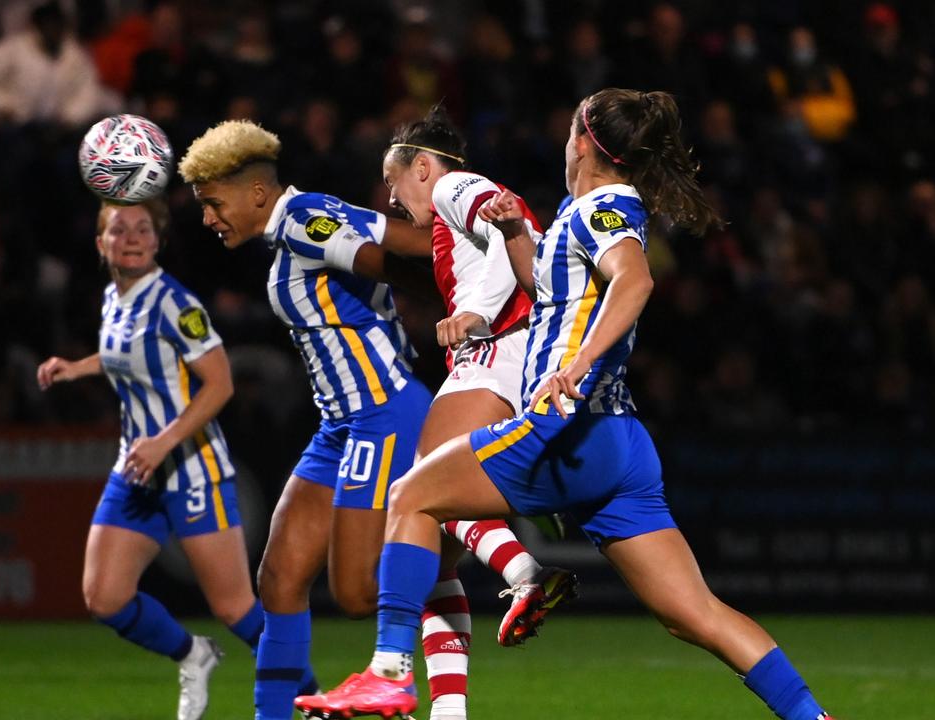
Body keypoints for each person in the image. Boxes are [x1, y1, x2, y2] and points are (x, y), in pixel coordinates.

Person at [298, 88, 838, 720]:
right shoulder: (583, 211)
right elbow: (549, 292)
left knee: (414, 495)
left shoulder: (600, 210)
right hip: (620, 443)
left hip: (566, 430)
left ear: (581, 140)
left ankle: (391, 673)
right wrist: (513, 237)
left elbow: (634, 280)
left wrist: (575, 366)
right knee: (694, 614)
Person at [179, 120, 437, 720]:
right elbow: (403, 242)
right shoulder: (309, 214)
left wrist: (454, 288)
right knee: (279, 580)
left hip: (383, 413)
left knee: (353, 592)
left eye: (214, 204)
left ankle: (458, 555)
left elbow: (382, 258)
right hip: (339, 427)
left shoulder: (299, 222)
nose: (209, 219)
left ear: (257, 195)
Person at [380, 108, 577, 719]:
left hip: (498, 349)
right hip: (521, 353)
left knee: (420, 494)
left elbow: (502, 221)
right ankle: (449, 712)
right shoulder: (451, 208)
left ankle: (525, 572)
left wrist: (480, 314)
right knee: (434, 550)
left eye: (394, 183)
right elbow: (523, 241)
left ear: (421, 166)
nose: (392, 198)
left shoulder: (451, 185)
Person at [37, 200, 262, 720]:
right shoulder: (113, 299)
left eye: (143, 229)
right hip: (135, 470)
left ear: (157, 243)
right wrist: (78, 368)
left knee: (234, 608)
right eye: (120, 230)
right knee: (104, 597)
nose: (133, 237)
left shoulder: (173, 302)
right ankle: (192, 654)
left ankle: (312, 695)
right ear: (101, 244)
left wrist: (165, 440)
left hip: (190, 467)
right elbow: (129, 355)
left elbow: (220, 382)